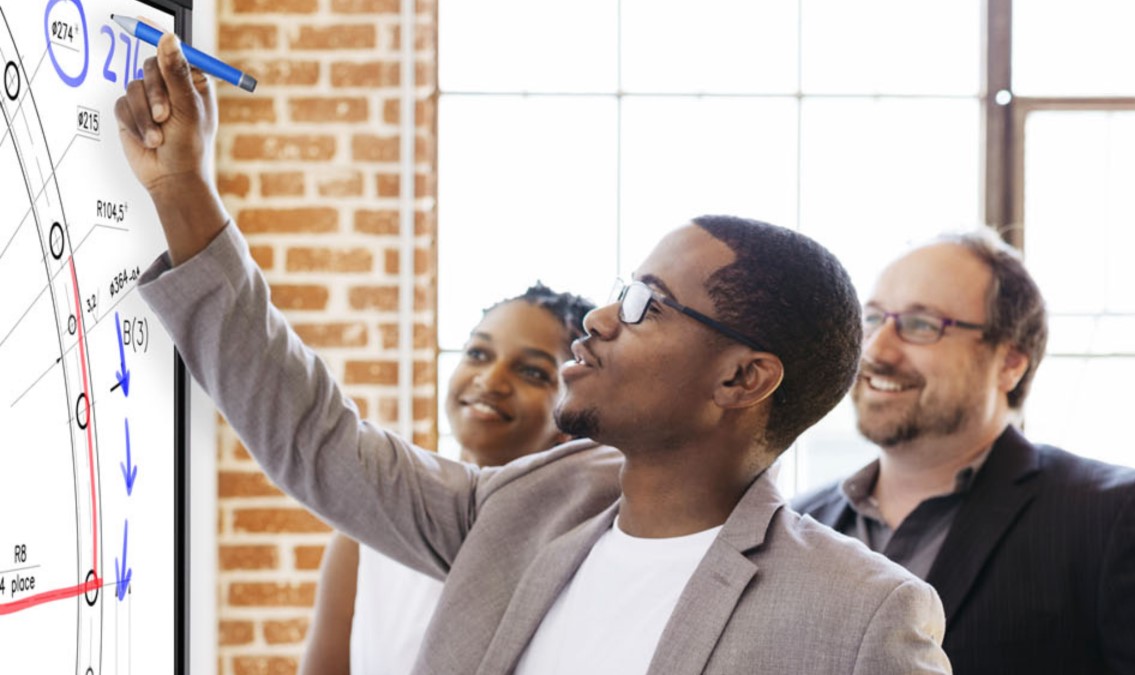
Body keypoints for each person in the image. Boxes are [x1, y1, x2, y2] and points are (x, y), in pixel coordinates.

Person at [117, 36, 952, 673]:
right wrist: (181, 188)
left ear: (742, 377)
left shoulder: (860, 616)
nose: (597, 318)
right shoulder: (524, 508)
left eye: (642, 304)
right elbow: (316, 439)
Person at [791, 228, 1135, 674]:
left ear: (1009, 364)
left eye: (921, 325)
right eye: (871, 319)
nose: (876, 350)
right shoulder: (797, 524)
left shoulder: (1122, 516)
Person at [301, 283, 594, 675]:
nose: (490, 381)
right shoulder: (369, 531)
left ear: (571, 412)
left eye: (532, 371)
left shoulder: (577, 549)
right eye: (478, 353)